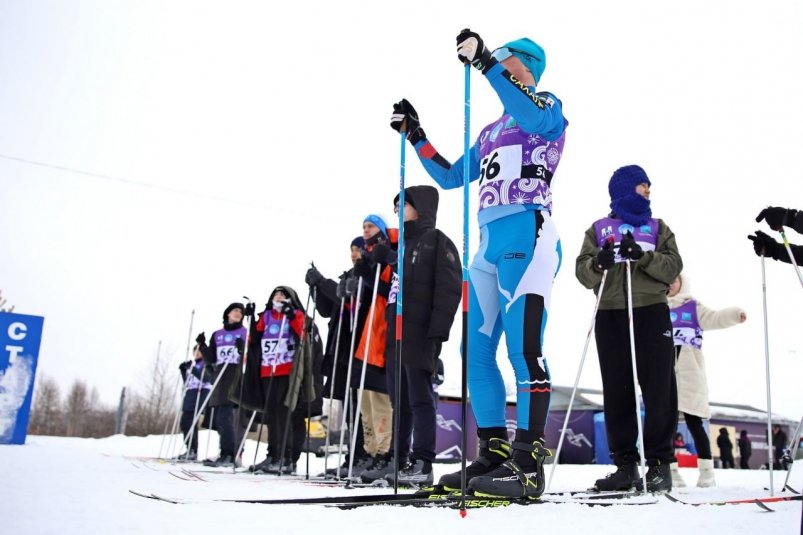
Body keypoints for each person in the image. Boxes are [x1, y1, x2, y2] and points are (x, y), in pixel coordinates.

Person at [390, 29, 567, 498]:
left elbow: (528, 110)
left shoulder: (546, 108)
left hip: (527, 236)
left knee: (524, 350)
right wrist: (417, 136)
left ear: (523, 64)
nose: (497, 69)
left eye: (505, 62)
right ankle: (494, 452)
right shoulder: (490, 131)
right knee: (477, 355)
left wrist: (487, 62)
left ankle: (530, 464)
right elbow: (451, 177)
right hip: (488, 244)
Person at [576, 165, 683, 493]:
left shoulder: (658, 227)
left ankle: (660, 465)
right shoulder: (598, 229)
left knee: (659, 388)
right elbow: (582, 273)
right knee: (617, 389)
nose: (648, 191)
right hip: (611, 312)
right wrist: (599, 263)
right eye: (642, 186)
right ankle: (626, 466)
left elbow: (674, 265)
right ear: (624, 188)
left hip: (651, 310)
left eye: (649, 187)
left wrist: (645, 257)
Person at [376, 185, 462, 487]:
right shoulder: (401, 248)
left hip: (420, 333)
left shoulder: (436, 241)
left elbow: (450, 287)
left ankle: (423, 462)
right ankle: (398, 460)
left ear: (421, 207)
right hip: (396, 336)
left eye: (404, 205)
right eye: (396, 206)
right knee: (399, 402)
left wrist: (437, 332)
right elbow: (395, 292)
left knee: (420, 399)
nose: (398, 210)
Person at [666, 272, 746, 487]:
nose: (670, 285)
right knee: (666, 426)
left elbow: (715, 318)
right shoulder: (656, 307)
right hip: (665, 375)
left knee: (695, 423)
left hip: (691, 373)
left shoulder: (692, 306)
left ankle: (707, 472)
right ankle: (671, 472)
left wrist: (734, 314)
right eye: (665, 281)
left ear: (682, 283)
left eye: (673, 280)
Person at [305, 236, 375, 477]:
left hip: (358, 346)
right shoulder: (347, 275)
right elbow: (328, 309)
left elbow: (349, 300)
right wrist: (315, 288)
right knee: (348, 407)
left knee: (360, 408)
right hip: (341, 349)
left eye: (358, 249)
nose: (354, 254)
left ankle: (363, 456)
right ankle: (353, 456)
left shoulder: (367, 276)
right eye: (352, 250)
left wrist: (323, 282)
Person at [248, 287, 307, 474]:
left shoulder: (295, 314)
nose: (279, 297)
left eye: (283, 295)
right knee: (271, 414)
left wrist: (290, 316)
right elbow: (254, 338)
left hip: (285, 369)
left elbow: (303, 334)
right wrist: (251, 318)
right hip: (267, 370)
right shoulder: (266, 316)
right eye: (276, 294)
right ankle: (272, 454)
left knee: (283, 414)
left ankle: (286, 457)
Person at [197, 302, 247, 467]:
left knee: (226, 417)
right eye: (235, 310)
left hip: (235, 374)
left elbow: (249, 353)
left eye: (241, 311)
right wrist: (203, 346)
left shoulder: (245, 332)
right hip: (220, 376)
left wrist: (241, 349)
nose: (238, 313)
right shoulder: (217, 334)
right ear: (227, 314)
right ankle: (225, 452)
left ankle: (230, 454)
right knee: (219, 418)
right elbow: (211, 359)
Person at [176, 344, 212, 461]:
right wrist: (183, 371)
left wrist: (192, 369)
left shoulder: (205, 363)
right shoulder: (194, 364)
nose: (197, 353)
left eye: (199, 351)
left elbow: (205, 378)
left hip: (199, 395)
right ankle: (191, 449)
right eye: (195, 351)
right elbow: (188, 382)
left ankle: (192, 450)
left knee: (189, 422)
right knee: (185, 423)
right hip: (190, 395)